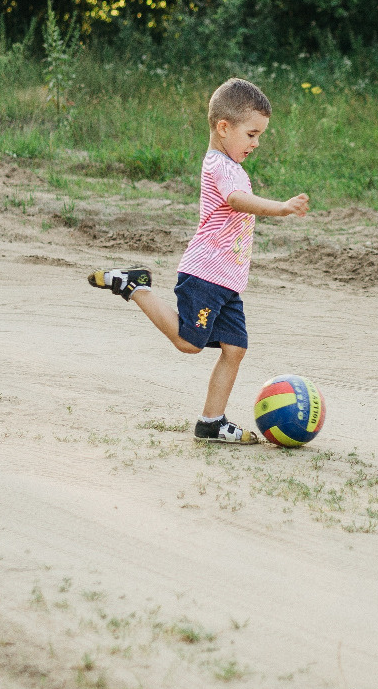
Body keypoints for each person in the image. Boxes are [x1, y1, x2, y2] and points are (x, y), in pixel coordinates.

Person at [90, 77, 309, 443]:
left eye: (260, 136)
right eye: (252, 134)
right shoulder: (219, 165)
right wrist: (281, 208)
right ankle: (135, 287)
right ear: (223, 128)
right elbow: (237, 201)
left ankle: (211, 422)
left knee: (235, 348)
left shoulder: (232, 164)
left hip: (228, 282)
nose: (256, 143)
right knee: (189, 343)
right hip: (205, 275)